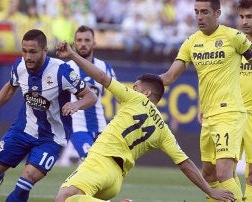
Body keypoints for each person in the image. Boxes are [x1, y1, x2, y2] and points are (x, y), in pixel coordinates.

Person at [53, 41, 236, 202]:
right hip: (116, 180)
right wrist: (209, 190)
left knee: (64, 198)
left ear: (146, 93)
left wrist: (73, 55)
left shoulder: (135, 99)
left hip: (100, 162)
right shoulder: (163, 130)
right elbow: (186, 163)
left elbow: (101, 77)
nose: (132, 88)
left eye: (136, 87)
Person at [0, 29, 97, 202]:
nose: (27, 56)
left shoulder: (62, 71)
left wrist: (76, 104)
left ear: (45, 50)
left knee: (25, 182)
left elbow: (91, 96)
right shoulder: (19, 66)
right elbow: (10, 87)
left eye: (33, 52)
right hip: (23, 129)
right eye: (24, 51)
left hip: (52, 138)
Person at [159, 0, 252, 201]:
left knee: (224, 173)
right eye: (196, 12)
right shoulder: (191, 42)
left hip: (231, 113)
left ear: (217, 13)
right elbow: (169, 77)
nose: (199, 17)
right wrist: (146, 84)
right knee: (208, 175)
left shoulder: (233, 37)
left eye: (204, 12)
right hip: (208, 116)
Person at [67, 25, 116, 160]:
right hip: (78, 127)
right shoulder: (67, 68)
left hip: (101, 127)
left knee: (108, 166)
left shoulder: (104, 67)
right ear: (74, 43)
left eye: (87, 40)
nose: (83, 44)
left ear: (94, 43)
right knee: (91, 160)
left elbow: (118, 94)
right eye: (79, 40)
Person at [237, 0, 252, 201]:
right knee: (215, 172)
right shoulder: (234, 42)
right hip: (231, 114)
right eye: (241, 17)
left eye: (249, 17)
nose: (245, 22)